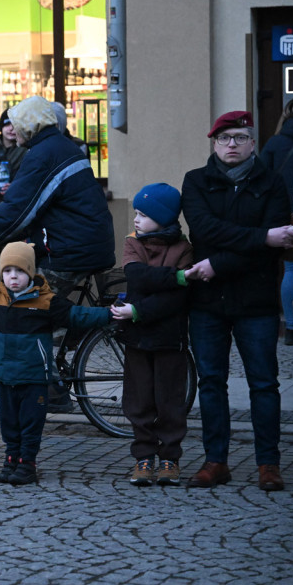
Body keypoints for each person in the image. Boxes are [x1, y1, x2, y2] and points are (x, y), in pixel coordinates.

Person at [181, 110, 293, 492]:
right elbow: (205, 229)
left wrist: (217, 261)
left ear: (253, 143)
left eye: (240, 137)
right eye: (224, 138)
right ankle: (216, 461)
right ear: (214, 143)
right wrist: (259, 238)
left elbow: (273, 245)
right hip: (208, 302)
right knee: (211, 382)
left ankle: (269, 463)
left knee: (263, 383)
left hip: (257, 299)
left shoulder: (272, 183)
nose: (232, 144)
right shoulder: (196, 181)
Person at [0, 241, 110, 485]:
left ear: (31, 273)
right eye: (7, 271)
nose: (12, 277)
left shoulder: (46, 301)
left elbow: (79, 316)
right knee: (9, 423)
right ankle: (11, 458)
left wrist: (110, 314)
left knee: (30, 423)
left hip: (33, 377)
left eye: (19, 271)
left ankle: (27, 463)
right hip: (5, 376)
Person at [0, 95, 115, 292]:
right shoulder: (61, 146)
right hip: (88, 245)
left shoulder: (43, 155)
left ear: (29, 125)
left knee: (26, 305)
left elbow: (18, 208)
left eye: (17, 124)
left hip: (71, 252)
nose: (13, 131)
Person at [109, 183, 194, 486]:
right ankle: (143, 457)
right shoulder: (133, 243)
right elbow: (136, 276)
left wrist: (139, 308)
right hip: (138, 337)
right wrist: (176, 278)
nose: (136, 219)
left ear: (163, 217)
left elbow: (177, 300)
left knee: (170, 400)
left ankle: (169, 458)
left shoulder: (183, 248)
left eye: (143, 214)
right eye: (136, 213)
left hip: (170, 337)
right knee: (139, 399)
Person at [259, 98, 293, 345]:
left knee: (289, 271)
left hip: (287, 217)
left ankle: (290, 328)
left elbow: (260, 178)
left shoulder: (276, 143)